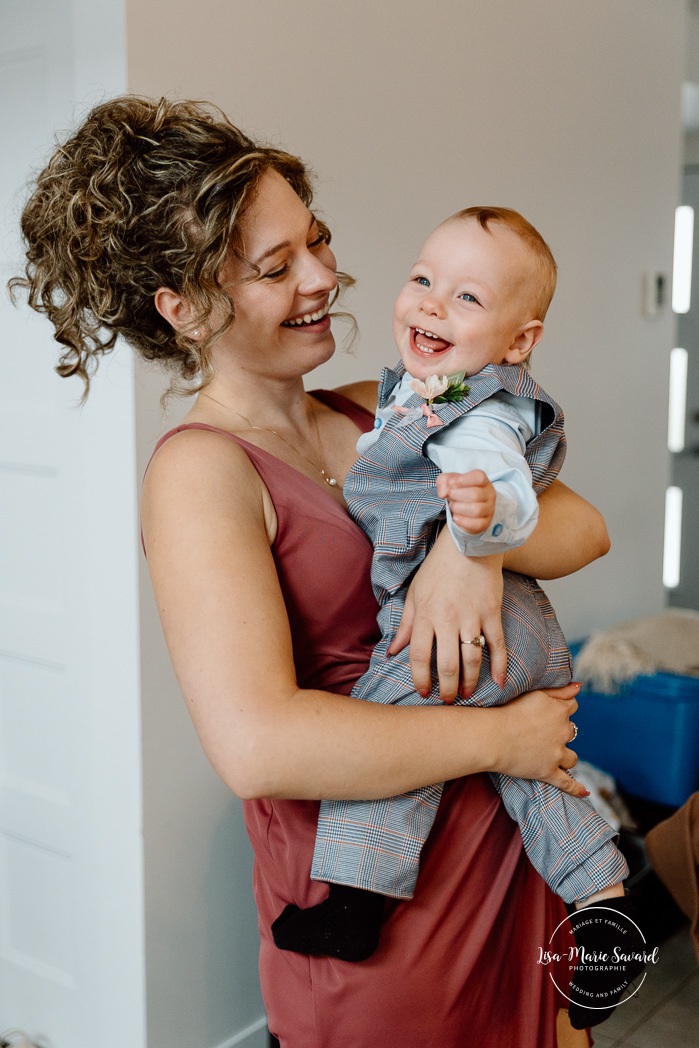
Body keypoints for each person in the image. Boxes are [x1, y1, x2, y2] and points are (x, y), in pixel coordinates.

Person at [12, 94, 612, 1048]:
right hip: (381, 931)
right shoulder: (200, 472)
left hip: (505, 866)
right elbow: (260, 747)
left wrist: (466, 551)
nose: (326, 277)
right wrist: (501, 744)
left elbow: (585, 527)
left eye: (317, 241)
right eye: (276, 265)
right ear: (186, 307)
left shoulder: (379, 405)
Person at [273, 208, 641, 1030]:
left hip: (487, 622)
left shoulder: (485, 413)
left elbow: (502, 481)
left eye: (467, 296)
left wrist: (476, 530)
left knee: (381, 723)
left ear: (519, 343)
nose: (432, 304)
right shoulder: (409, 392)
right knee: (528, 778)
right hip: (522, 634)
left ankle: (358, 900)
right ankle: (608, 907)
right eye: (423, 279)